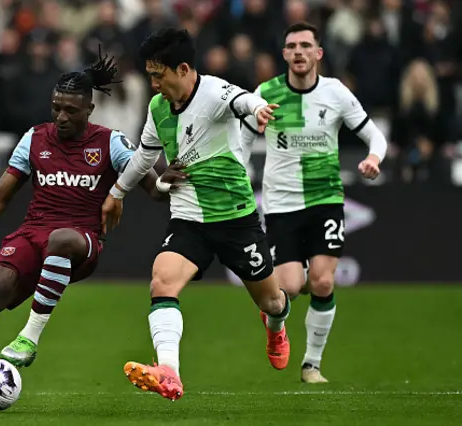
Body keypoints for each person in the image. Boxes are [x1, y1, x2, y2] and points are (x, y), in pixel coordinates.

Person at [0, 50, 187, 413]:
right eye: (56, 107)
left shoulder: (110, 143)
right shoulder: (34, 138)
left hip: (82, 239)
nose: (62, 117)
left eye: (71, 110)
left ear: (89, 111)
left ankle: (29, 338)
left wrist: (166, 184)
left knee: (60, 239)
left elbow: (153, 190)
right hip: (33, 232)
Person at [101, 28, 291, 401]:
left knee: (271, 301)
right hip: (189, 218)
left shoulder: (215, 93)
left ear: (184, 68)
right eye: (150, 75)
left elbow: (243, 102)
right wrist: (116, 193)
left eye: (159, 75)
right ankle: (169, 372)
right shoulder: (158, 108)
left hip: (236, 218)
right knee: (162, 282)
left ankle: (277, 325)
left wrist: (258, 109)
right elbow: (143, 156)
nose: (154, 84)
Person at [240, 22, 387, 384]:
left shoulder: (336, 93)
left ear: (318, 53)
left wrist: (374, 158)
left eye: (306, 45)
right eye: (292, 46)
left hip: (326, 199)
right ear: (285, 54)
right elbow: (240, 142)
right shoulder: (265, 93)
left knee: (321, 283)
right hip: (281, 206)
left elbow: (374, 135)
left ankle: (311, 365)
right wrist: (241, 176)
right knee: (288, 287)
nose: (299, 51)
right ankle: (276, 325)